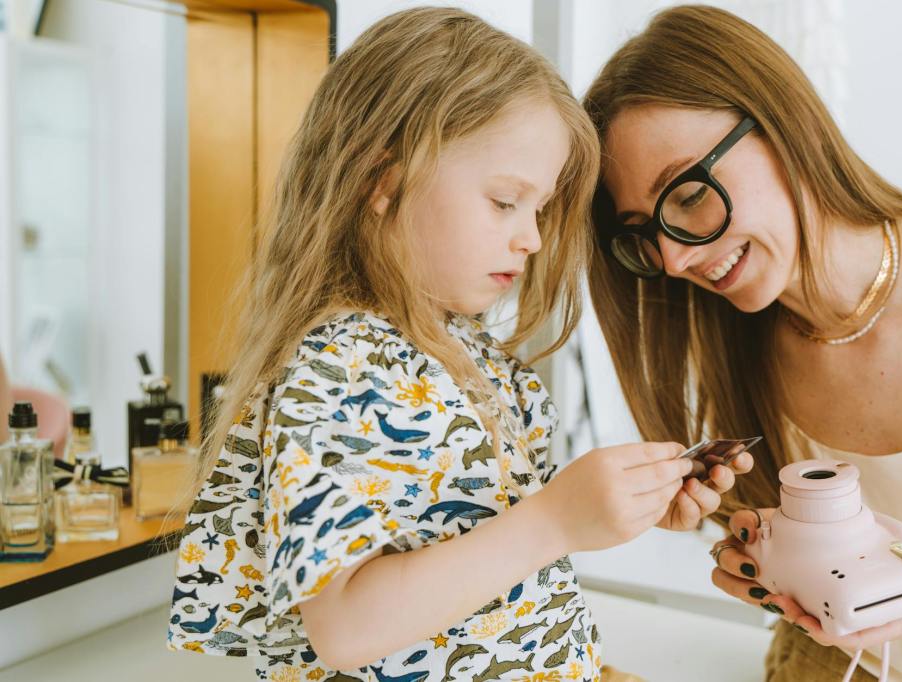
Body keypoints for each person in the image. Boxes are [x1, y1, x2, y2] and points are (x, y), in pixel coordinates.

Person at [166, 8, 751, 681]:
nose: (530, 237)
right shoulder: (341, 364)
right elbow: (347, 627)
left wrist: (608, 512)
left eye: (539, 210)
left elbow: (471, 551)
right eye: (506, 201)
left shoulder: (457, 353)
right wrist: (555, 522)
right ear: (380, 179)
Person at [583, 5, 902, 681]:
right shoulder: (736, 345)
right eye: (642, 232)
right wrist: (764, 558)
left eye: (688, 195)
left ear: (781, 126)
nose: (672, 260)